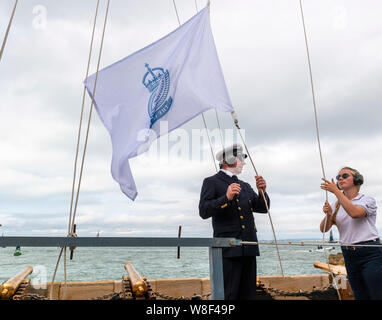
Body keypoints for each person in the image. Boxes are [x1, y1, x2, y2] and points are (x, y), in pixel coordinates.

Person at [199, 143, 270, 300]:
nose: (244, 162)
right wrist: (226, 198)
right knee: (229, 294)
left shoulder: (245, 185)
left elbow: (262, 208)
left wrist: (262, 191)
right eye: (241, 158)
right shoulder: (211, 182)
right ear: (230, 160)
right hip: (228, 249)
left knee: (248, 295)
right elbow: (203, 211)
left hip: (249, 247)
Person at [320, 166, 382, 300]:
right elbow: (323, 229)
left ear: (357, 179)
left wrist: (337, 192)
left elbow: (355, 213)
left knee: (377, 293)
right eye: (338, 177)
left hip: (370, 253)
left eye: (345, 176)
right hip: (349, 254)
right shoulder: (337, 203)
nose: (340, 178)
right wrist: (329, 214)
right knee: (360, 295)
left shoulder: (367, 200)